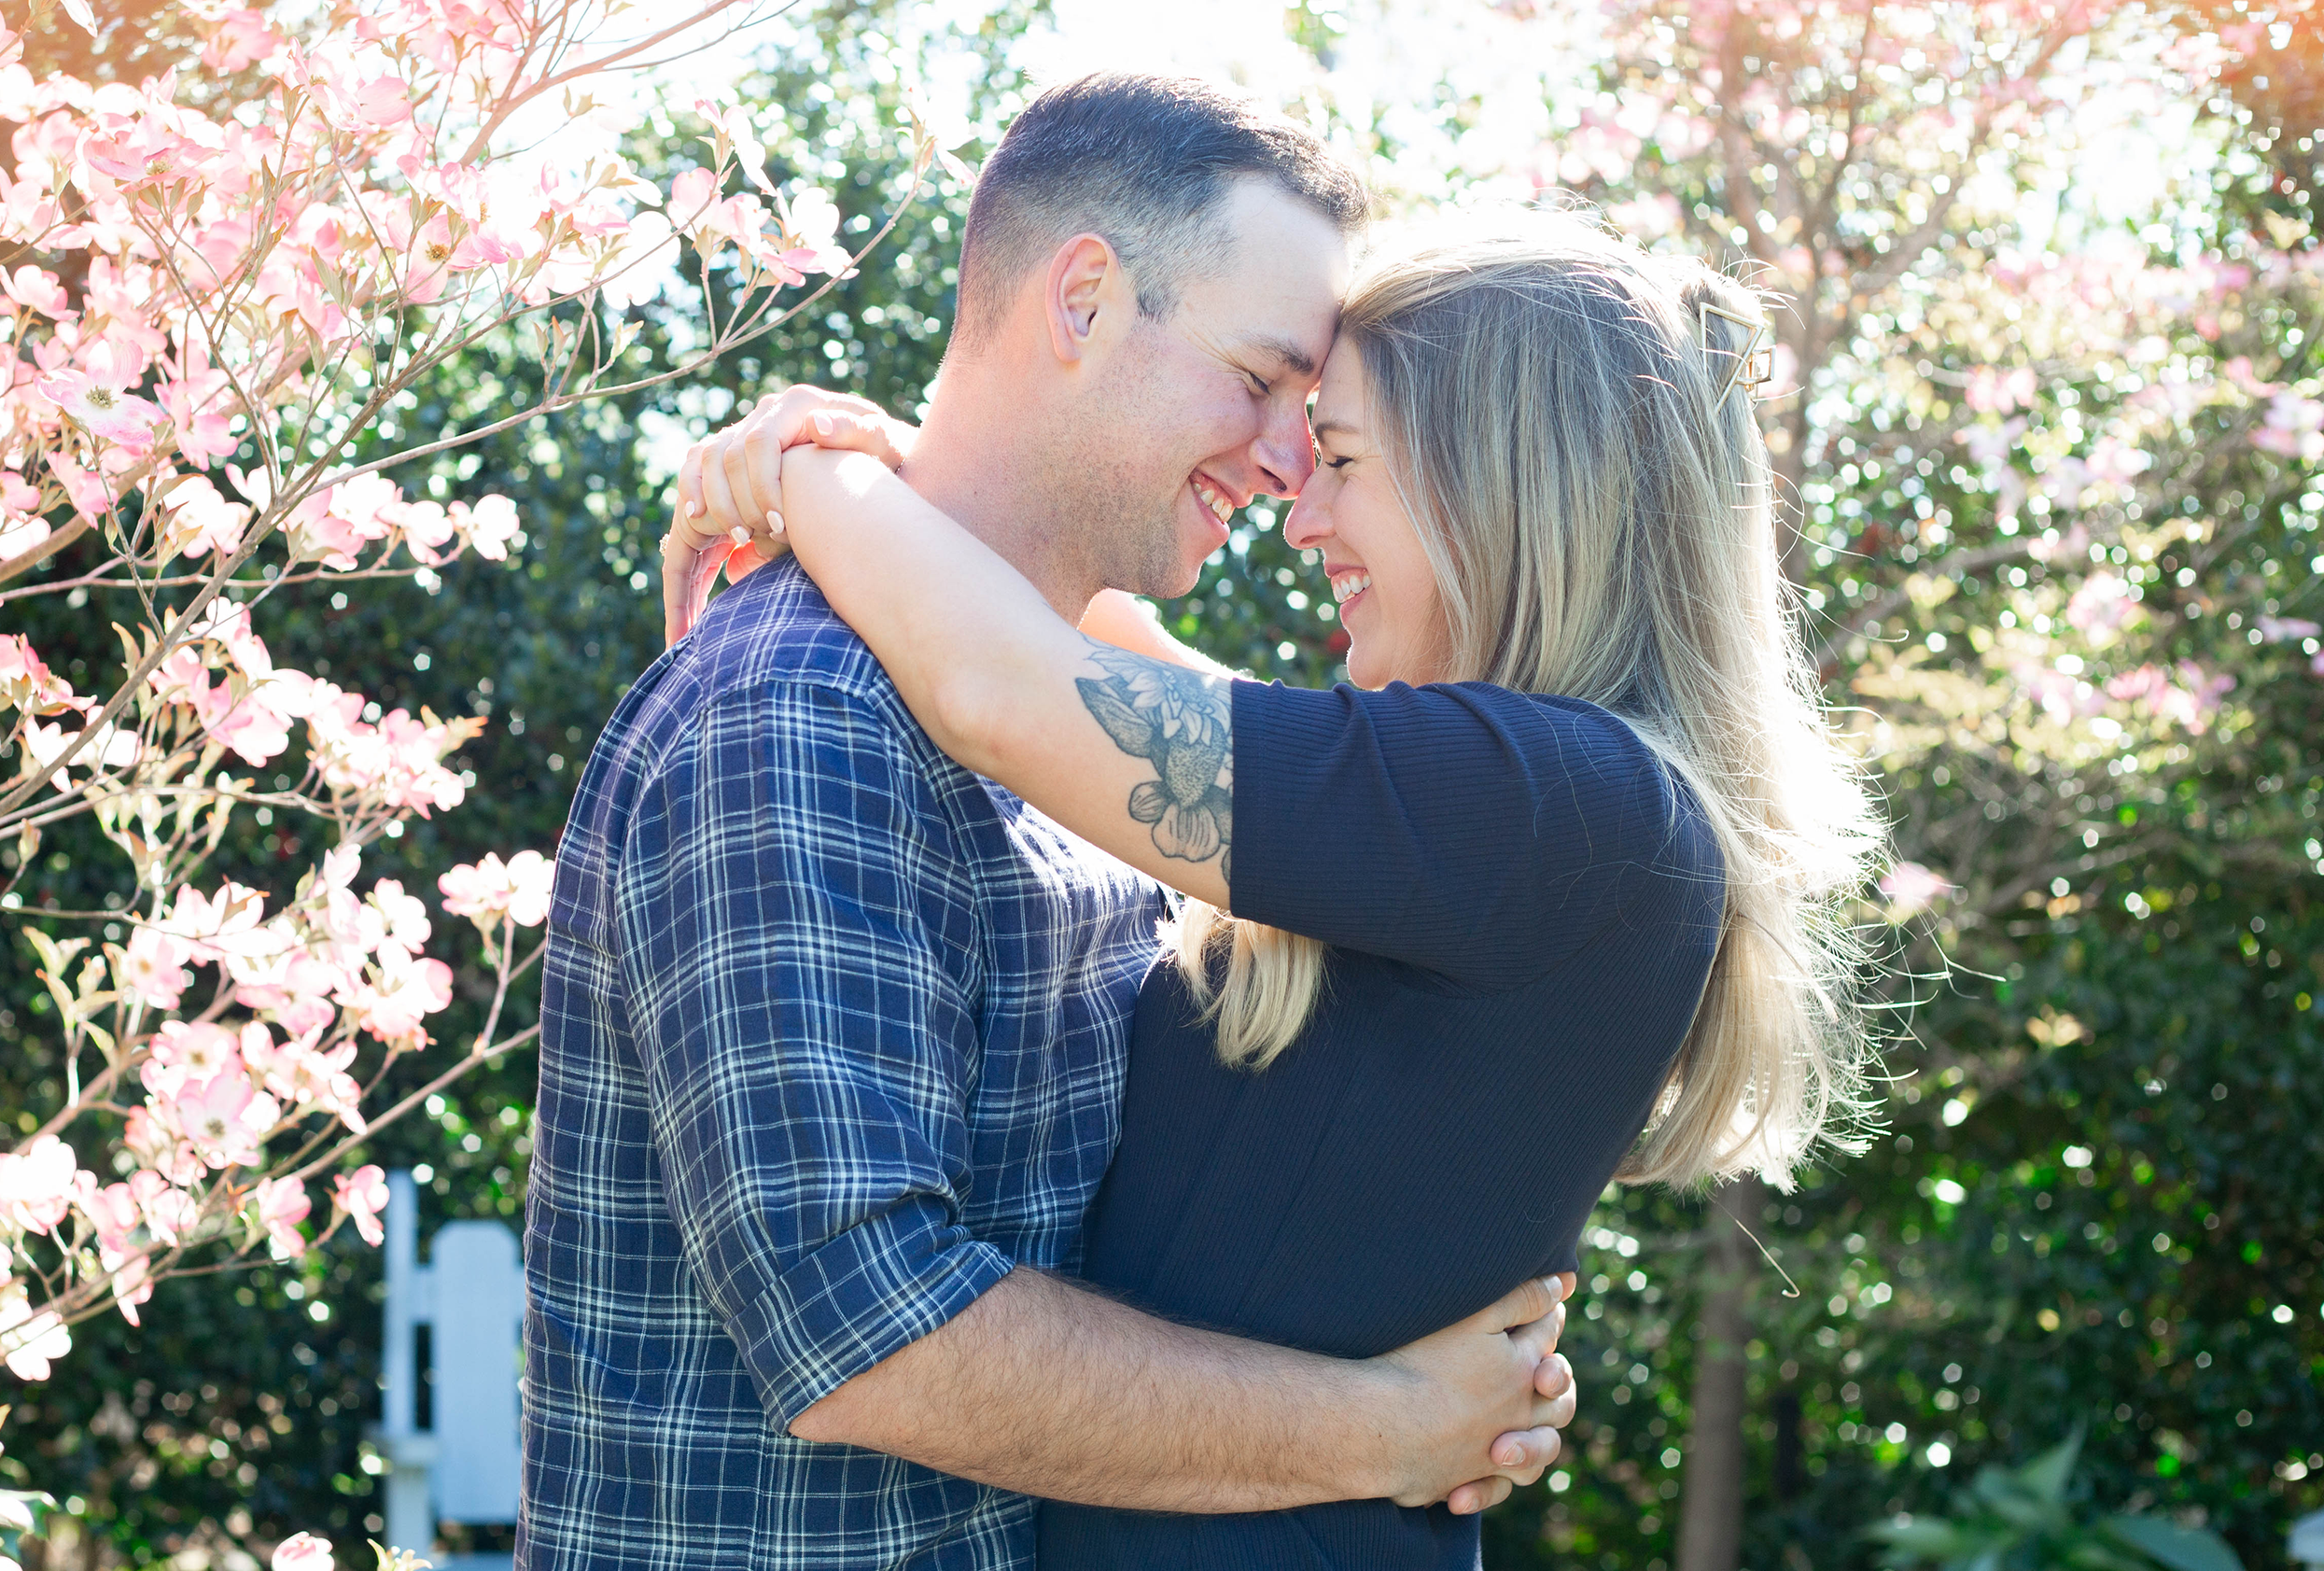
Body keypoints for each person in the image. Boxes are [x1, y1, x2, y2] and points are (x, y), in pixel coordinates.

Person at [664, 208, 1886, 1569]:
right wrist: (896, 468)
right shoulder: (1545, 802)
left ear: (1495, 482)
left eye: (1345, 460)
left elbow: (1007, 688)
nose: (1300, 515)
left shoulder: (1543, 799)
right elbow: (1122, 662)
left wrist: (808, 471)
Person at [524, 75, 1578, 1571]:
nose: (1291, 464)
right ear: (1081, 300)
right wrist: (1386, 1423)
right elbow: (869, 1332)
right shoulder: (801, 712)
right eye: (1264, 379)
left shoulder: (1082, 734)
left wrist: (1467, 1364)